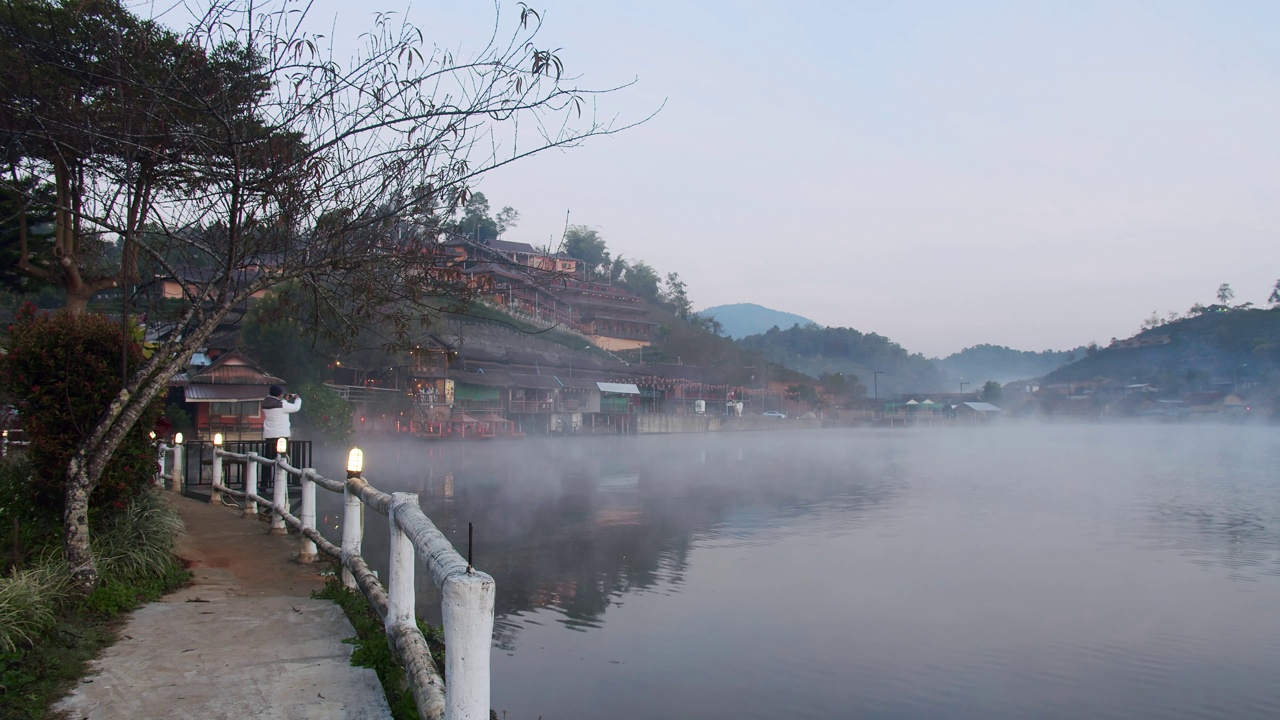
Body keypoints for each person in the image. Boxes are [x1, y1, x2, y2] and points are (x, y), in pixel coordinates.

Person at [261, 385, 301, 459]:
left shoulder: (265, 403)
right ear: (279, 394)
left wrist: (284, 400)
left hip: (269, 434)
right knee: (283, 458)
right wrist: (297, 398)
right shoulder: (282, 404)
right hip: (281, 435)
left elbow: (276, 402)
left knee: (268, 457)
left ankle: (266, 470)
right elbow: (296, 408)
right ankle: (282, 470)